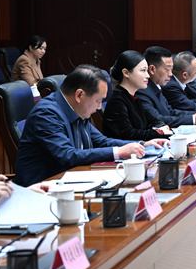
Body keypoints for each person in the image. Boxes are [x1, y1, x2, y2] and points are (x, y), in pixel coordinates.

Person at [14, 65, 161, 186]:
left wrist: (141, 144)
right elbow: (68, 155)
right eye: (98, 100)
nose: (99, 107)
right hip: (42, 189)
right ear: (79, 95)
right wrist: (119, 152)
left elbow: (102, 141)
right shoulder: (46, 114)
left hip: (70, 180)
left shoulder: (77, 109)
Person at [103, 50, 171, 140]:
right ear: (126, 73)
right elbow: (128, 134)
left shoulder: (133, 98)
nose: (148, 75)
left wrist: (162, 127)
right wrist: (158, 132)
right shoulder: (117, 101)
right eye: (143, 70)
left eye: (147, 71)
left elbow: (153, 120)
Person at [137, 46, 196, 127]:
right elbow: (156, 119)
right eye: (167, 70)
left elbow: (170, 112)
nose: (171, 74)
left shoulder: (156, 86)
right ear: (152, 69)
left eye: (171, 70)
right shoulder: (142, 91)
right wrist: (192, 118)